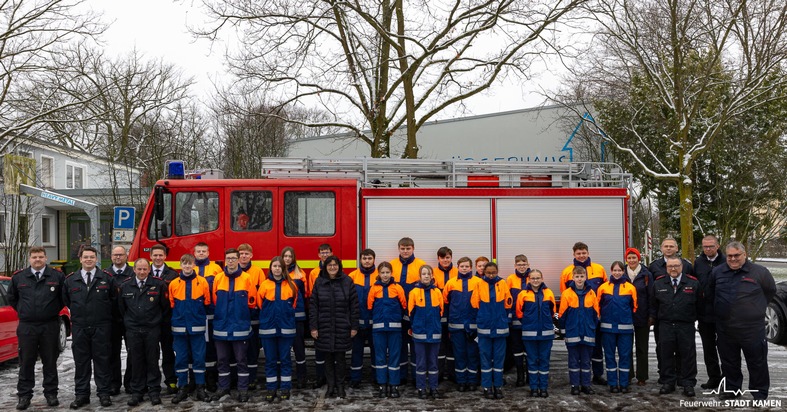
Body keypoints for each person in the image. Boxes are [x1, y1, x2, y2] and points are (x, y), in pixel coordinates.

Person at [709, 241, 776, 400]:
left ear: (744, 255)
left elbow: (770, 291)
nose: (733, 259)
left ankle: (759, 393)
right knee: (729, 362)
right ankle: (732, 389)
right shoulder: (717, 272)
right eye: (729, 256)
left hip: (752, 329)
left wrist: (755, 308)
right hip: (726, 328)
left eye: (736, 255)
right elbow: (711, 293)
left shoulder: (760, 272)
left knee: (757, 362)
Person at [8, 246, 65, 410]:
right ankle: (24, 396)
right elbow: (13, 298)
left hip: (49, 325)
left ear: (46, 258)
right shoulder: (19, 278)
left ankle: (51, 394)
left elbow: (63, 298)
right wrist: (24, 311)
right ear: (29, 259)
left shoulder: (56, 276)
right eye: (34, 257)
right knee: (26, 362)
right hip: (28, 327)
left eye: (40, 256)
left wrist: (50, 311)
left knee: (50, 361)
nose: (37, 259)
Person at [62, 246, 116, 409]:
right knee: (81, 363)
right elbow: (66, 300)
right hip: (80, 327)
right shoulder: (71, 280)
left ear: (96, 259)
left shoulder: (107, 278)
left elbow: (114, 301)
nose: (89, 260)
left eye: (92, 257)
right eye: (85, 257)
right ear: (80, 259)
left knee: (102, 362)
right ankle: (82, 395)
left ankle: (104, 394)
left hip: (101, 327)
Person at [118, 258, 169, 406]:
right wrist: (130, 323)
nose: (141, 272)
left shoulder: (158, 284)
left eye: (144, 269)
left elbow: (164, 308)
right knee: (136, 361)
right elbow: (122, 309)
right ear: (134, 270)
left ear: (149, 270)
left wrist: (156, 322)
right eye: (139, 269)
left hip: (152, 329)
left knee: (153, 360)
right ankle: (137, 392)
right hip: (133, 330)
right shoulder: (125, 285)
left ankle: (154, 391)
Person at [211, 248, 257, 402]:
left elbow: (252, 302)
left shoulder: (247, 278)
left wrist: (241, 317)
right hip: (221, 327)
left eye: (233, 258)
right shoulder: (218, 278)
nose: (230, 261)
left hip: (240, 327)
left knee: (241, 360)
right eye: (228, 258)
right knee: (222, 360)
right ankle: (224, 387)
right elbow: (214, 301)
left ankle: (242, 389)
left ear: (238, 260)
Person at [309, 256, 359, 399]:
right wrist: (313, 327)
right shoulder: (319, 282)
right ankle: (331, 386)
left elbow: (354, 306)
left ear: (339, 266)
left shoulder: (347, 281)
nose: (332, 267)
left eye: (335, 265)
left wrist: (354, 326)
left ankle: (340, 386)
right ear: (325, 267)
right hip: (324, 326)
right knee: (328, 359)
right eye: (329, 265)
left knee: (341, 358)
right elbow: (313, 307)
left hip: (342, 326)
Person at [650, 256, 700, 397]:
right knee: (666, 354)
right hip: (665, 324)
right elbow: (653, 304)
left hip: (686, 325)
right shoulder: (659, 283)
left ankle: (688, 383)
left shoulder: (693, 283)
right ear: (666, 268)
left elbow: (700, 304)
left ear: (682, 267)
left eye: (676, 266)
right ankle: (668, 382)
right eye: (670, 266)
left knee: (687, 354)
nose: (673, 268)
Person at [560, 242, 608, 386]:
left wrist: (599, 315)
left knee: (596, 348)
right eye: (578, 253)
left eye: (583, 253)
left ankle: (598, 375)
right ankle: (577, 379)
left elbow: (605, 290)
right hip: (576, 319)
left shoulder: (599, 269)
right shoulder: (567, 272)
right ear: (574, 254)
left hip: (593, 317)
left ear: (588, 253)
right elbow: (565, 295)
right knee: (577, 352)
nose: (581, 256)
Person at [168, 253, 211, 404]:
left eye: (189, 263)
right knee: (181, 359)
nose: (187, 266)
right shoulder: (173, 283)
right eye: (184, 263)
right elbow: (172, 304)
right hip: (179, 328)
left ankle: (200, 387)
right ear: (180, 265)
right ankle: (182, 388)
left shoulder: (203, 282)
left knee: (199, 358)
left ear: (194, 265)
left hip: (197, 327)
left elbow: (207, 302)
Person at [258, 257, 298, 403]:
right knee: (270, 361)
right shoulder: (264, 285)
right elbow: (260, 304)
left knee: (285, 359)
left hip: (286, 329)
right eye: (274, 266)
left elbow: (293, 305)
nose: (276, 269)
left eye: (279, 266)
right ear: (271, 268)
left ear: (283, 268)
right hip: (268, 329)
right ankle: (271, 388)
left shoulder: (292, 285)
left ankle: (285, 387)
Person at [471, 262, 512, 399]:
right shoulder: (479, 284)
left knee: (499, 360)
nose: (491, 275)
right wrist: (482, 317)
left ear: (497, 271)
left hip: (500, 328)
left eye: (493, 272)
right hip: (484, 329)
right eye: (488, 272)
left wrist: (504, 319)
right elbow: (474, 304)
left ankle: (498, 387)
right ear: (483, 272)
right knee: (485, 359)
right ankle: (487, 387)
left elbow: (508, 304)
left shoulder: (503, 284)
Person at [389, 237, 427, 385]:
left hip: (416, 313)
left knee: (417, 346)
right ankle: (402, 376)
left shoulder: (421, 265)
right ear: (399, 249)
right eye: (403, 248)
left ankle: (418, 377)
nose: (405, 251)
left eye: (408, 248)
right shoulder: (391, 265)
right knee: (400, 346)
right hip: (397, 312)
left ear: (413, 248)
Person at [597, 261, 637, 394]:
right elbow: (598, 306)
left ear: (623, 272)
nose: (617, 272)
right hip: (607, 329)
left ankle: (624, 383)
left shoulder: (630, 288)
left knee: (625, 356)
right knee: (609, 356)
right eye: (615, 270)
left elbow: (634, 307)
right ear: (611, 271)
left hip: (625, 330)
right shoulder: (603, 288)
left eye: (620, 270)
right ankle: (613, 383)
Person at [368, 262, 407, 398]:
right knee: (380, 358)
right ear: (378, 274)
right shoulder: (374, 289)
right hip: (378, 330)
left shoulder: (398, 288)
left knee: (394, 358)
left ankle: (394, 385)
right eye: (382, 272)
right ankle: (382, 385)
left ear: (392, 273)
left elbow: (403, 305)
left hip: (395, 330)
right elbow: (369, 306)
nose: (385, 275)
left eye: (387, 272)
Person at [559, 266, 599, 396]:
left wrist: (592, 327)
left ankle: (586, 385)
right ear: (573, 277)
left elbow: (596, 314)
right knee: (573, 361)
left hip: (588, 333)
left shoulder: (591, 293)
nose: (579, 279)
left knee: (586, 361)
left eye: (582, 276)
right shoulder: (567, 293)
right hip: (573, 333)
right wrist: (564, 330)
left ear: (586, 277)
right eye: (577, 276)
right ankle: (575, 385)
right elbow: (562, 315)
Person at [443, 257, 482, 392]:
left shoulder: (478, 282)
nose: (464, 268)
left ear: (471, 268)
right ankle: (461, 381)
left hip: (473, 326)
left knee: (472, 354)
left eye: (467, 266)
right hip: (456, 326)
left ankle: (472, 381)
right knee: (459, 355)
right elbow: (446, 304)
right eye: (462, 266)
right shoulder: (451, 283)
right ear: (458, 267)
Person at [515, 269, 555, 398]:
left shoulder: (548, 293)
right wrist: (528, 323)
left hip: (546, 333)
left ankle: (543, 387)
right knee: (531, 361)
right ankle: (533, 388)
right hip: (529, 333)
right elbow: (519, 312)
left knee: (544, 361)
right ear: (529, 279)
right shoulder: (523, 294)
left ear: (542, 278)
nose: (535, 280)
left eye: (538, 278)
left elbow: (552, 311)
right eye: (533, 278)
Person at [693, 234, 725, 390]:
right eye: (705, 246)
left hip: (724, 313)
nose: (708, 249)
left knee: (726, 348)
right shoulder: (698, 263)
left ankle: (727, 379)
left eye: (711, 246)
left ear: (717, 246)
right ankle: (714, 377)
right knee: (709, 348)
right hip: (704, 314)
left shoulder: (726, 261)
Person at [409, 265, 444, 399]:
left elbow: (440, 311)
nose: (426, 276)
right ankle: (421, 388)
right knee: (421, 363)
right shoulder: (414, 292)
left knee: (433, 363)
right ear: (419, 276)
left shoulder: (437, 292)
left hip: (434, 333)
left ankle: (434, 388)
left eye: (428, 274)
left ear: (432, 276)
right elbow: (411, 313)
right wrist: (417, 326)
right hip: (419, 334)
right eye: (423, 274)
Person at [193, 242, 224, 392]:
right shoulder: (190, 268)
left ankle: (211, 379)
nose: (201, 253)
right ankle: (196, 379)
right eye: (198, 251)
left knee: (211, 346)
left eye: (203, 251)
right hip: (195, 314)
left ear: (208, 252)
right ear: (194, 253)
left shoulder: (216, 269)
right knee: (197, 347)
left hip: (211, 313)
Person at [104, 245, 134, 396]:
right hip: (111, 321)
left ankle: (130, 383)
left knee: (133, 353)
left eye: (121, 255)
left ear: (126, 256)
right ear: (111, 257)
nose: (118, 257)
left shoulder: (134, 273)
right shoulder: (105, 275)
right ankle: (113, 384)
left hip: (130, 320)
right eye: (115, 255)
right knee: (112, 353)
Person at [149, 244, 179, 394]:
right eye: (155, 255)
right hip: (149, 323)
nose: (158, 258)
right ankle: (151, 383)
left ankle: (171, 381)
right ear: (151, 257)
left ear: (165, 257)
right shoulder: (144, 273)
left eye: (161, 255)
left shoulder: (173, 275)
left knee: (168, 353)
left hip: (167, 321)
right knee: (151, 354)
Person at [349, 248, 378, 388]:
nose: (367, 261)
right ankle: (355, 379)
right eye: (364, 258)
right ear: (360, 260)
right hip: (357, 323)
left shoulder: (380, 275)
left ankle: (377, 377)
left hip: (374, 323)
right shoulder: (352, 276)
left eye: (369, 258)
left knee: (376, 351)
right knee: (356, 352)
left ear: (374, 260)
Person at [625, 247, 654, 386]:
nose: (631, 260)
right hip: (625, 317)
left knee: (642, 348)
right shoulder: (622, 274)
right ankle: (628, 374)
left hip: (642, 316)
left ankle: (642, 376)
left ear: (638, 258)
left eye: (634, 257)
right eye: (629, 258)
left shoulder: (646, 275)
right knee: (626, 348)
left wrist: (651, 315)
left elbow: (651, 297)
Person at [281, 246, 309, 388]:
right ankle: (285, 377)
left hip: (297, 318)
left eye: (290, 256)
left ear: (293, 258)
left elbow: (304, 295)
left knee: (299, 349)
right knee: (284, 349)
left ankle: (301, 377)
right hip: (283, 318)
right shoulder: (278, 272)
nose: (287, 259)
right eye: (285, 256)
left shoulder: (300, 274)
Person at [238, 243, 265, 390]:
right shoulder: (231, 271)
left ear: (251, 256)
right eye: (241, 254)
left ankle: (252, 378)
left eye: (246, 254)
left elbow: (261, 293)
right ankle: (240, 377)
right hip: (238, 317)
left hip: (253, 315)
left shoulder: (258, 271)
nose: (243, 256)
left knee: (253, 349)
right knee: (239, 350)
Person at [306, 243, 333, 388]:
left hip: (334, 316)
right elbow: (312, 297)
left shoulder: (337, 271)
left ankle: (331, 377)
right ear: (318, 255)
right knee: (319, 349)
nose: (325, 255)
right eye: (322, 252)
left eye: (327, 252)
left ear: (331, 253)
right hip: (321, 316)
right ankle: (320, 376)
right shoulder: (314, 273)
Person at [506, 254, 531, 387]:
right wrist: (509, 317)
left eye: (524, 264)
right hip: (515, 322)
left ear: (528, 264)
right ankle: (520, 376)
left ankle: (529, 376)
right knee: (517, 349)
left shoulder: (532, 278)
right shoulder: (510, 279)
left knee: (529, 350)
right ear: (515, 266)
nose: (522, 267)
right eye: (519, 264)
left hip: (529, 322)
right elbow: (507, 300)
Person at [433, 246, 457, 382]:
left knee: (453, 346)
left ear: (451, 258)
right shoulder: (433, 273)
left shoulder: (457, 272)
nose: (445, 260)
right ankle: (439, 374)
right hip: (439, 314)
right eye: (442, 258)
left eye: (447, 257)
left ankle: (453, 374)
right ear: (438, 258)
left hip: (454, 314)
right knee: (440, 346)